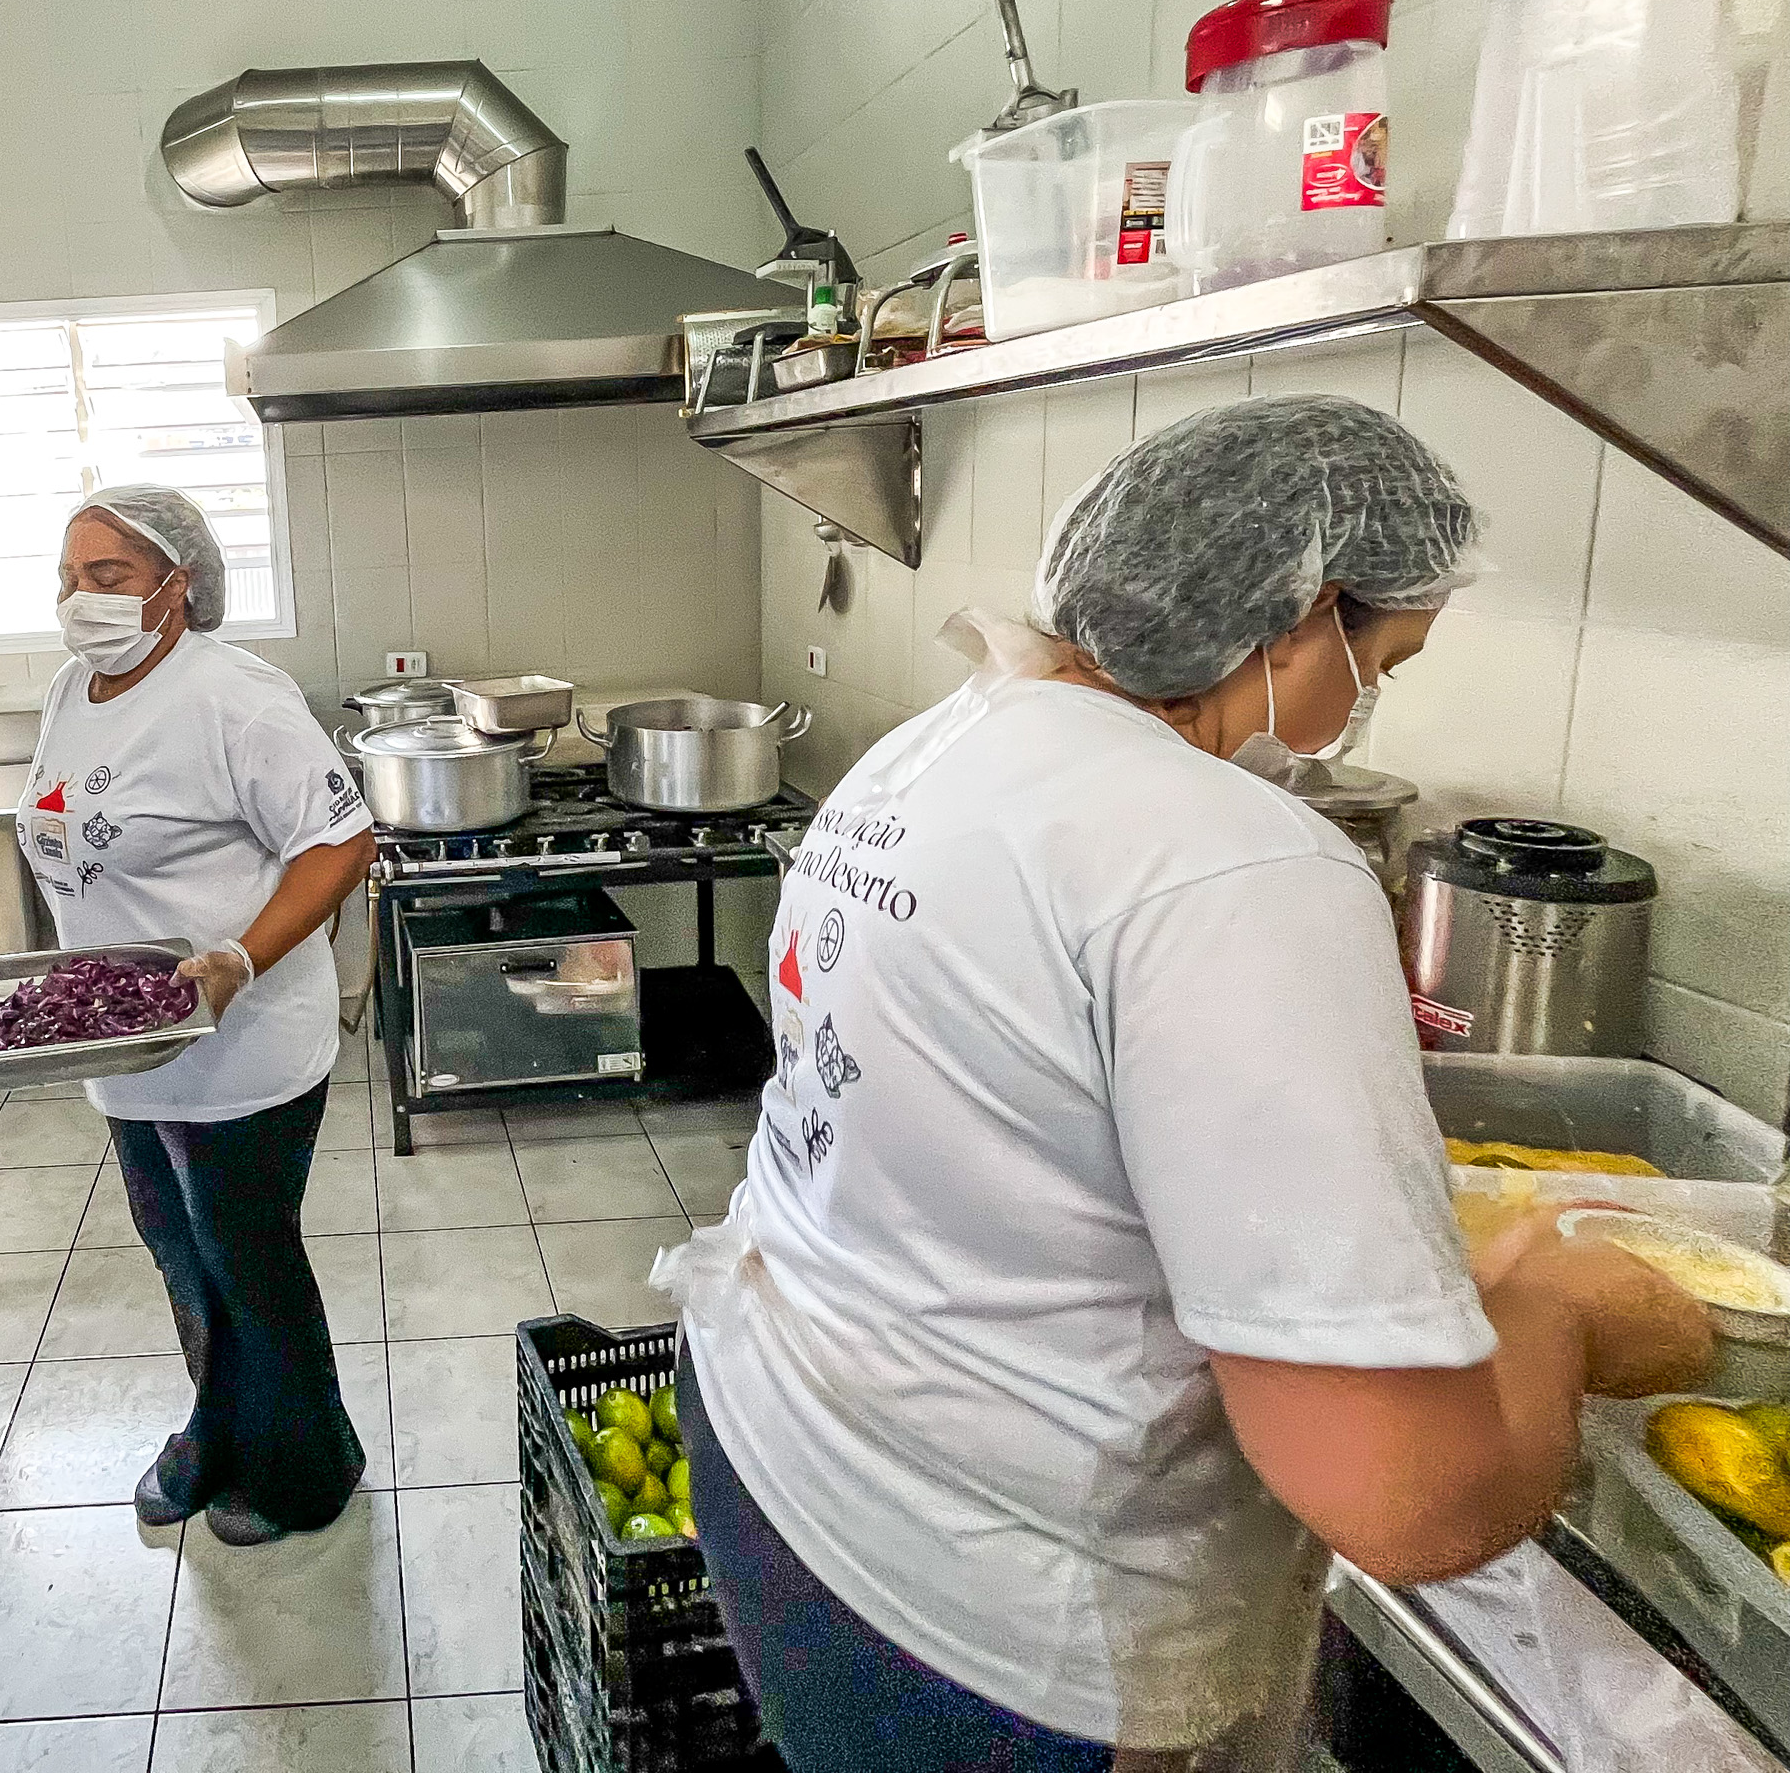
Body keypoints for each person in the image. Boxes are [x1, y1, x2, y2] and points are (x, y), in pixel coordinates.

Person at [657, 396, 1711, 1771]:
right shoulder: (1232, 860)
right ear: (1299, 615)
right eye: (1381, 658)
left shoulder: (937, 749)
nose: (1361, 709)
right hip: (1004, 1617)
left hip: (786, 1447)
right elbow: (1397, 1499)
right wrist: (1555, 1310)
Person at [16, 485, 378, 1546]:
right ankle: (217, 1432)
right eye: (70, 578)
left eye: (109, 577)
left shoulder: (236, 698)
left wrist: (236, 959)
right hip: (130, 1044)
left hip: (243, 1045)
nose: (81, 600)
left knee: (245, 1257)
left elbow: (340, 844)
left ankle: (308, 1471)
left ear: (177, 586)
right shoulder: (71, 691)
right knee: (179, 1251)